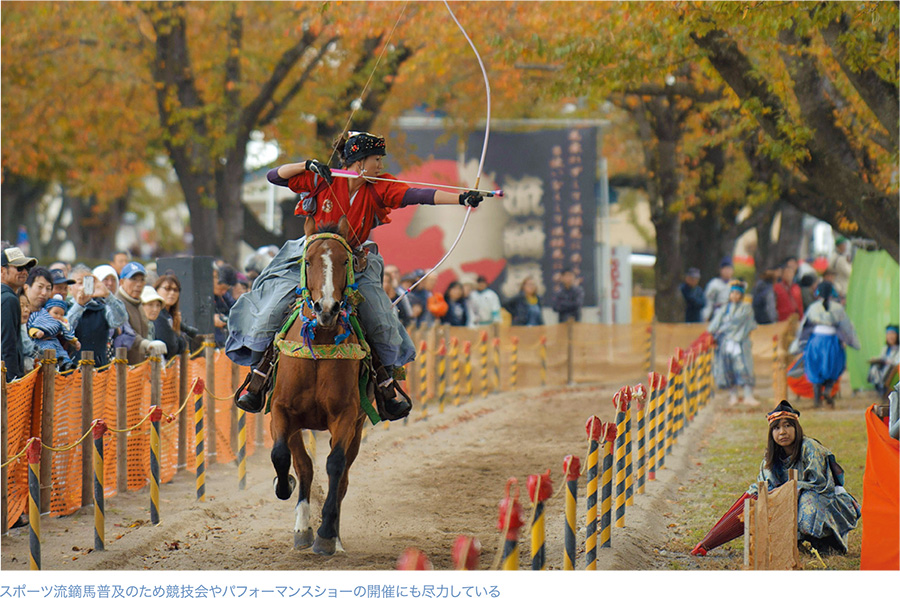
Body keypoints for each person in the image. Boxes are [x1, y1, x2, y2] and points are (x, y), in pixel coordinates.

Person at [227, 131, 484, 418]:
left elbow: (417, 195)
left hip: (353, 261)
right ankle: (258, 380)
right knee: (272, 309)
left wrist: (460, 198)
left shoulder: (379, 187)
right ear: (359, 161)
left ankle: (385, 386)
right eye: (376, 160)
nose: (380, 165)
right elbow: (275, 176)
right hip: (309, 257)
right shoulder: (321, 178)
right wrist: (305, 166)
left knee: (382, 321)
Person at [692, 400, 861, 556]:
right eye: (776, 428)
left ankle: (826, 541)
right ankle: (793, 543)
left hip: (826, 501)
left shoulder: (810, 447)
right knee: (763, 501)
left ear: (796, 428)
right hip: (793, 500)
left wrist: (789, 489)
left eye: (788, 426)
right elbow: (763, 488)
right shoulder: (771, 458)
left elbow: (821, 485)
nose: (782, 432)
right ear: (771, 433)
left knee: (806, 502)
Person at [791, 281, 859, 408]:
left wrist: (797, 345)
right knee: (833, 368)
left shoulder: (813, 308)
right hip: (832, 342)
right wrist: (854, 342)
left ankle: (817, 400)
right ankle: (828, 390)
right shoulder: (838, 308)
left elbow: (804, 326)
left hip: (816, 341)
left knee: (815, 368)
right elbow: (847, 327)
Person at [708, 279, 759, 406]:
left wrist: (724, 328)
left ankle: (748, 395)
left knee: (745, 369)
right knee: (728, 369)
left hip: (741, 343)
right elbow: (714, 325)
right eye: (733, 293)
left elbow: (745, 324)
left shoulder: (746, 308)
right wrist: (715, 333)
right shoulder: (724, 309)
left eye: (738, 293)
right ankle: (733, 395)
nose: (735, 296)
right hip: (726, 343)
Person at [67, 264, 128, 368]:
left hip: (99, 371)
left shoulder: (101, 308)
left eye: (87, 282)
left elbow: (120, 320)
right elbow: (65, 328)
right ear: (70, 288)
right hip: (72, 371)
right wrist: (79, 305)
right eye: (80, 283)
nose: (83, 287)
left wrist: (108, 296)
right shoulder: (64, 307)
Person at [115, 261, 167, 364]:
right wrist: (146, 344)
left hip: (139, 371)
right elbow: (126, 334)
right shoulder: (117, 304)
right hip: (121, 371)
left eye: (142, 280)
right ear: (121, 282)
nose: (138, 284)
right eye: (133, 279)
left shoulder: (138, 303)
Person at [2, 247, 37, 381]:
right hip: (6, 379)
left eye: (27, 268)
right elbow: (8, 344)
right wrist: (14, 379)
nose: (24, 272)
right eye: (18, 268)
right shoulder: (9, 299)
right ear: (2, 270)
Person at [27, 294, 80, 371]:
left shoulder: (61, 323)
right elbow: (32, 328)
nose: (58, 316)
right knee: (49, 350)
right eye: (56, 313)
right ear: (47, 311)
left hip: (54, 340)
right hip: (41, 342)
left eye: (61, 314)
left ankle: (66, 364)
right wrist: (36, 332)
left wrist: (75, 341)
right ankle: (55, 363)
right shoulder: (41, 318)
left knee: (62, 352)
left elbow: (67, 333)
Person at [155, 274, 199, 355]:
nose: (172, 293)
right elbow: (171, 347)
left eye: (176, 290)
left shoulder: (170, 315)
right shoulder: (158, 314)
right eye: (167, 289)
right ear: (156, 290)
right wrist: (179, 338)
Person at [868, 324, 900, 397]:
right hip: (883, 367)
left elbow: (897, 361)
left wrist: (889, 361)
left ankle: (884, 387)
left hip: (892, 370)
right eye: (888, 334)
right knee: (874, 367)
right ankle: (879, 386)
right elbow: (882, 357)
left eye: (893, 334)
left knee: (887, 368)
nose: (890, 337)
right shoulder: (886, 348)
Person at [701, 257, 734, 322]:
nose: (727, 271)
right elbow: (708, 303)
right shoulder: (714, 284)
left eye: (729, 269)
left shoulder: (735, 285)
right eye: (725, 269)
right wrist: (705, 317)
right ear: (721, 270)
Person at [213, 264, 237, 348]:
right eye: (222, 288)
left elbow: (236, 309)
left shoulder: (223, 296)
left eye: (226, 289)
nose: (223, 292)